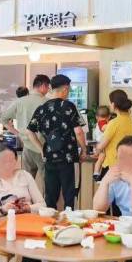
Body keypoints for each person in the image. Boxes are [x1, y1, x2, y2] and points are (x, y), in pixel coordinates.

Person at [27, 74, 87, 211]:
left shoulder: (41, 108)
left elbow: (29, 131)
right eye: (69, 89)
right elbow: (78, 131)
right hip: (68, 158)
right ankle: (69, 220)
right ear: (65, 89)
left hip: (49, 158)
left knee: (50, 195)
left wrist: (41, 149)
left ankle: (50, 220)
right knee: (70, 193)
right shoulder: (69, 106)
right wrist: (84, 150)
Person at [0, 74, 51, 189]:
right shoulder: (48, 103)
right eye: (48, 87)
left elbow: (3, 119)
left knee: (26, 184)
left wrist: (18, 133)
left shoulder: (20, 102)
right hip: (43, 148)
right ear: (43, 86)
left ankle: (26, 201)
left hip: (27, 147)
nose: (48, 90)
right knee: (47, 185)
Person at [94, 90, 132, 181]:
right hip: (126, 164)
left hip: (112, 164)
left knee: (107, 189)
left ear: (113, 104)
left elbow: (102, 145)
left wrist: (97, 149)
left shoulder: (114, 123)